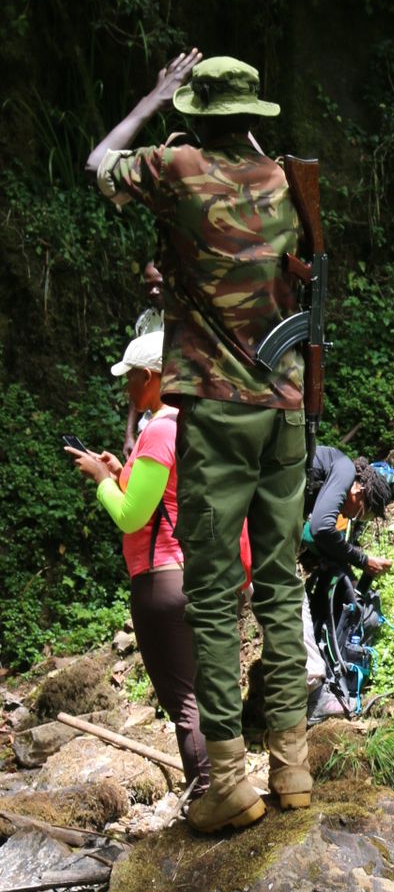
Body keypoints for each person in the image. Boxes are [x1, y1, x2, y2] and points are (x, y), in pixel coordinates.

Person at [86, 51, 312, 834]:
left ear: (197, 114)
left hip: (214, 408)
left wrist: (151, 98)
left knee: (214, 594)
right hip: (287, 406)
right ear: (253, 116)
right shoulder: (286, 180)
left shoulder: (179, 167)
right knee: (279, 579)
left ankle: (228, 781)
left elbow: (98, 163)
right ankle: (293, 766)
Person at [67, 331, 212, 806]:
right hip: (193, 572)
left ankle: (207, 795)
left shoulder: (158, 430)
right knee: (203, 692)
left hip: (160, 580)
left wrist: (103, 480)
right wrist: (121, 467)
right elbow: (163, 494)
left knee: (183, 702)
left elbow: (132, 514)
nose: (127, 388)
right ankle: (222, 787)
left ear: (151, 377)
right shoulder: (187, 422)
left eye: (131, 378)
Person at [301, 449, 394, 718]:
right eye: (362, 515)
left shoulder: (332, 471)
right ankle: (313, 700)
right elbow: (320, 530)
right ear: (359, 494)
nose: (350, 519)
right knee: (291, 605)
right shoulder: (345, 469)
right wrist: (363, 560)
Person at [123, 262, 165, 459]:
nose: (154, 291)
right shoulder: (144, 322)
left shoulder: (185, 320)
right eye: (148, 286)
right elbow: (137, 378)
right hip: (147, 423)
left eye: (159, 284)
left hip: (171, 422)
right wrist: (129, 434)